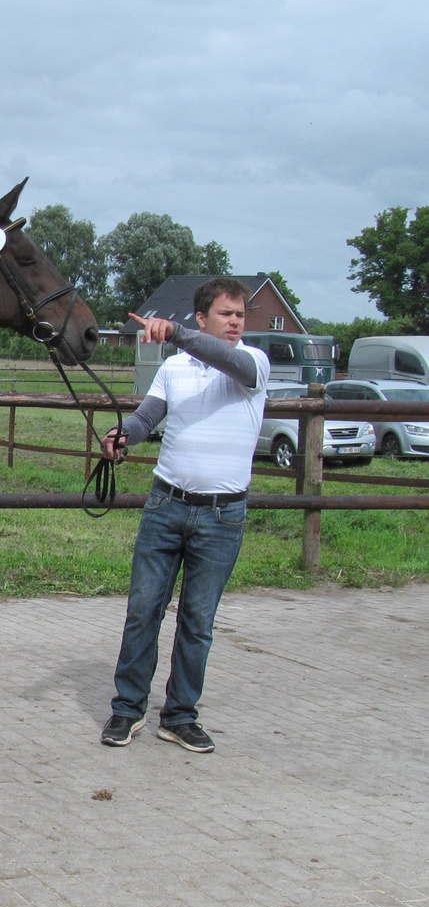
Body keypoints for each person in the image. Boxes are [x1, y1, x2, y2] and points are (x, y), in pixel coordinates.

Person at [99, 277, 270, 753]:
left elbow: (228, 359)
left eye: (240, 315)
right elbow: (149, 415)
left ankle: (179, 715)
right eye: (226, 314)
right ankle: (127, 709)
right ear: (202, 317)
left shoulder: (252, 362)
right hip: (165, 506)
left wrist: (172, 331)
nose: (236, 322)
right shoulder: (174, 368)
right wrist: (125, 434)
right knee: (142, 612)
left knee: (197, 621)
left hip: (222, 516)